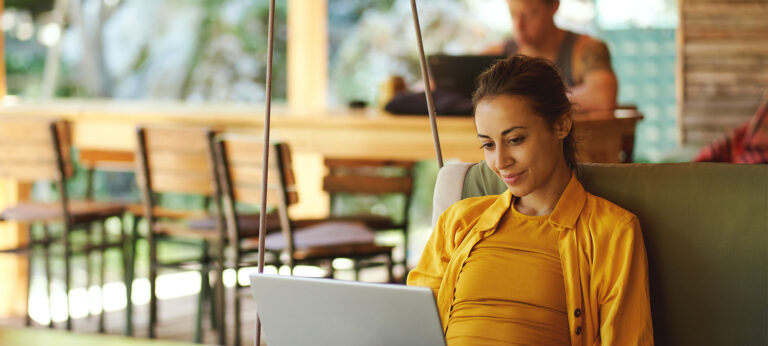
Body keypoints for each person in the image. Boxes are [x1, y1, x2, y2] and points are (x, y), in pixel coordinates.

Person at [407, 55, 653, 345]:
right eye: (488, 144)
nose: (500, 161)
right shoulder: (458, 222)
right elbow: (411, 328)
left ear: (561, 125)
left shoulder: (612, 231)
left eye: (515, 140)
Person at [484, 0, 618, 111]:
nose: (519, 26)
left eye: (530, 14)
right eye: (513, 14)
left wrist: (526, 101)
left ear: (554, 5)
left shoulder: (585, 49)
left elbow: (603, 97)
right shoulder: (496, 55)